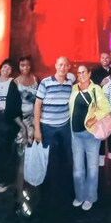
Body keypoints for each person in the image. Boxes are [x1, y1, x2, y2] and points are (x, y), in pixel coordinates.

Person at [34, 56, 76, 205]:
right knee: (49, 160)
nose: (62, 67)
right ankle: (46, 195)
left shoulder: (69, 84)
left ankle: (65, 192)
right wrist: (37, 129)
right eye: (60, 64)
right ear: (55, 65)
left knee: (67, 159)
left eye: (65, 65)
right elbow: (37, 105)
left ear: (69, 67)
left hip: (64, 126)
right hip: (48, 127)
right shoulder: (45, 82)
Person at [69, 65, 111, 211]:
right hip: (75, 134)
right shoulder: (74, 89)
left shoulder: (96, 89)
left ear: (89, 74)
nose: (81, 75)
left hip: (90, 134)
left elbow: (106, 108)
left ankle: (90, 197)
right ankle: (79, 195)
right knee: (78, 168)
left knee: (92, 167)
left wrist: (93, 119)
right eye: (79, 73)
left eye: (84, 72)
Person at [0, 59, 28, 193]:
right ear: (0, 68)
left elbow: (15, 104)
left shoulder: (12, 83)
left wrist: (20, 124)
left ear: (11, 72)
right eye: (4, 67)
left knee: (6, 150)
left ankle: (5, 181)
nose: (6, 70)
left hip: (8, 118)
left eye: (9, 69)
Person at [14, 56, 39, 216]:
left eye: (27, 65)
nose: (25, 67)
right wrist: (22, 127)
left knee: (33, 159)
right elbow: (12, 107)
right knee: (22, 162)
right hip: (21, 124)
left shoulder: (35, 79)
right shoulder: (15, 82)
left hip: (34, 123)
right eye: (22, 65)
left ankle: (29, 190)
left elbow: (38, 101)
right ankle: (19, 197)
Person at [90, 51, 111, 167]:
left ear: (110, 59)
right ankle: (101, 155)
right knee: (101, 129)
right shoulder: (95, 72)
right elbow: (91, 88)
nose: (105, 60)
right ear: (100, 59)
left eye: (107, 58)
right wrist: (100, 84)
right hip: (100, 105)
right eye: (103, 58)